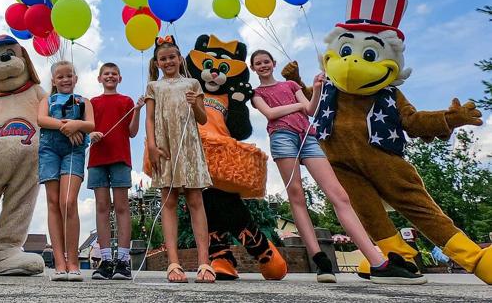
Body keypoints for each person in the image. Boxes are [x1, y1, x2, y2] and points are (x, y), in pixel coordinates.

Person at [250, 49, 424, 284]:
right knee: (296, 195)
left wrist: (317, 88)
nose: (263, 65)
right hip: (282, 137)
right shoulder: (257, 93)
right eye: (258, 63)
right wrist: (297, 106)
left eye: (266, 61)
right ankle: (320, 259)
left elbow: (311, 110)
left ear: (273, 63)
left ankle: (377, 262)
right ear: (253, 68)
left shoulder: (291, 85)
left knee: (339, 195)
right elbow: (271, 113)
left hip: (307, 137)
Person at [144, 36, 214, 283]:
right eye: (163, 59)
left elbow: (203, 119)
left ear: (180, 58)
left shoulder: (193, 83)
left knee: (195, 199)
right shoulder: (154, 86)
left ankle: (204, 262)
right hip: (165, 146)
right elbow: (150, 118)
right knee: (169, 200)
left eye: (172, 57)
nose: (168, 61)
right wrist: (151, 146)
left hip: (189, 147)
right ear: (157, 63)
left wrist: (195, 104)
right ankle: (173, 263)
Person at [37, 60, 95, 282]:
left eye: (69, 75)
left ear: (76, 79)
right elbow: (41, 119)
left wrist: (76, 125)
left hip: (73, 152)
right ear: (53, 80)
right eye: (60, 77)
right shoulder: (47, 100)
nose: (65, 80)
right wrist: (67, 126)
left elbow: (90, 124)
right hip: (49, 151)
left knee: (68, 202)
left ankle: (73, 262)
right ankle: (60, 263)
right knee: (53, 203)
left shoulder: (83, 101)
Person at [87, 63, 144, 281]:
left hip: (120, 159)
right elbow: (87, 127)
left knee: (121, 207)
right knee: (102, 207)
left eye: (114, 74)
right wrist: (92, 133)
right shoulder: (92, 103)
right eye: (106, 74)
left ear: (120, 78)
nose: (110, 76)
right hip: (97, 160)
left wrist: (137, 111)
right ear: (99, 78)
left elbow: (132, 132)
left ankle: (122, 260)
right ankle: (105, 260)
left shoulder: (126, 101)